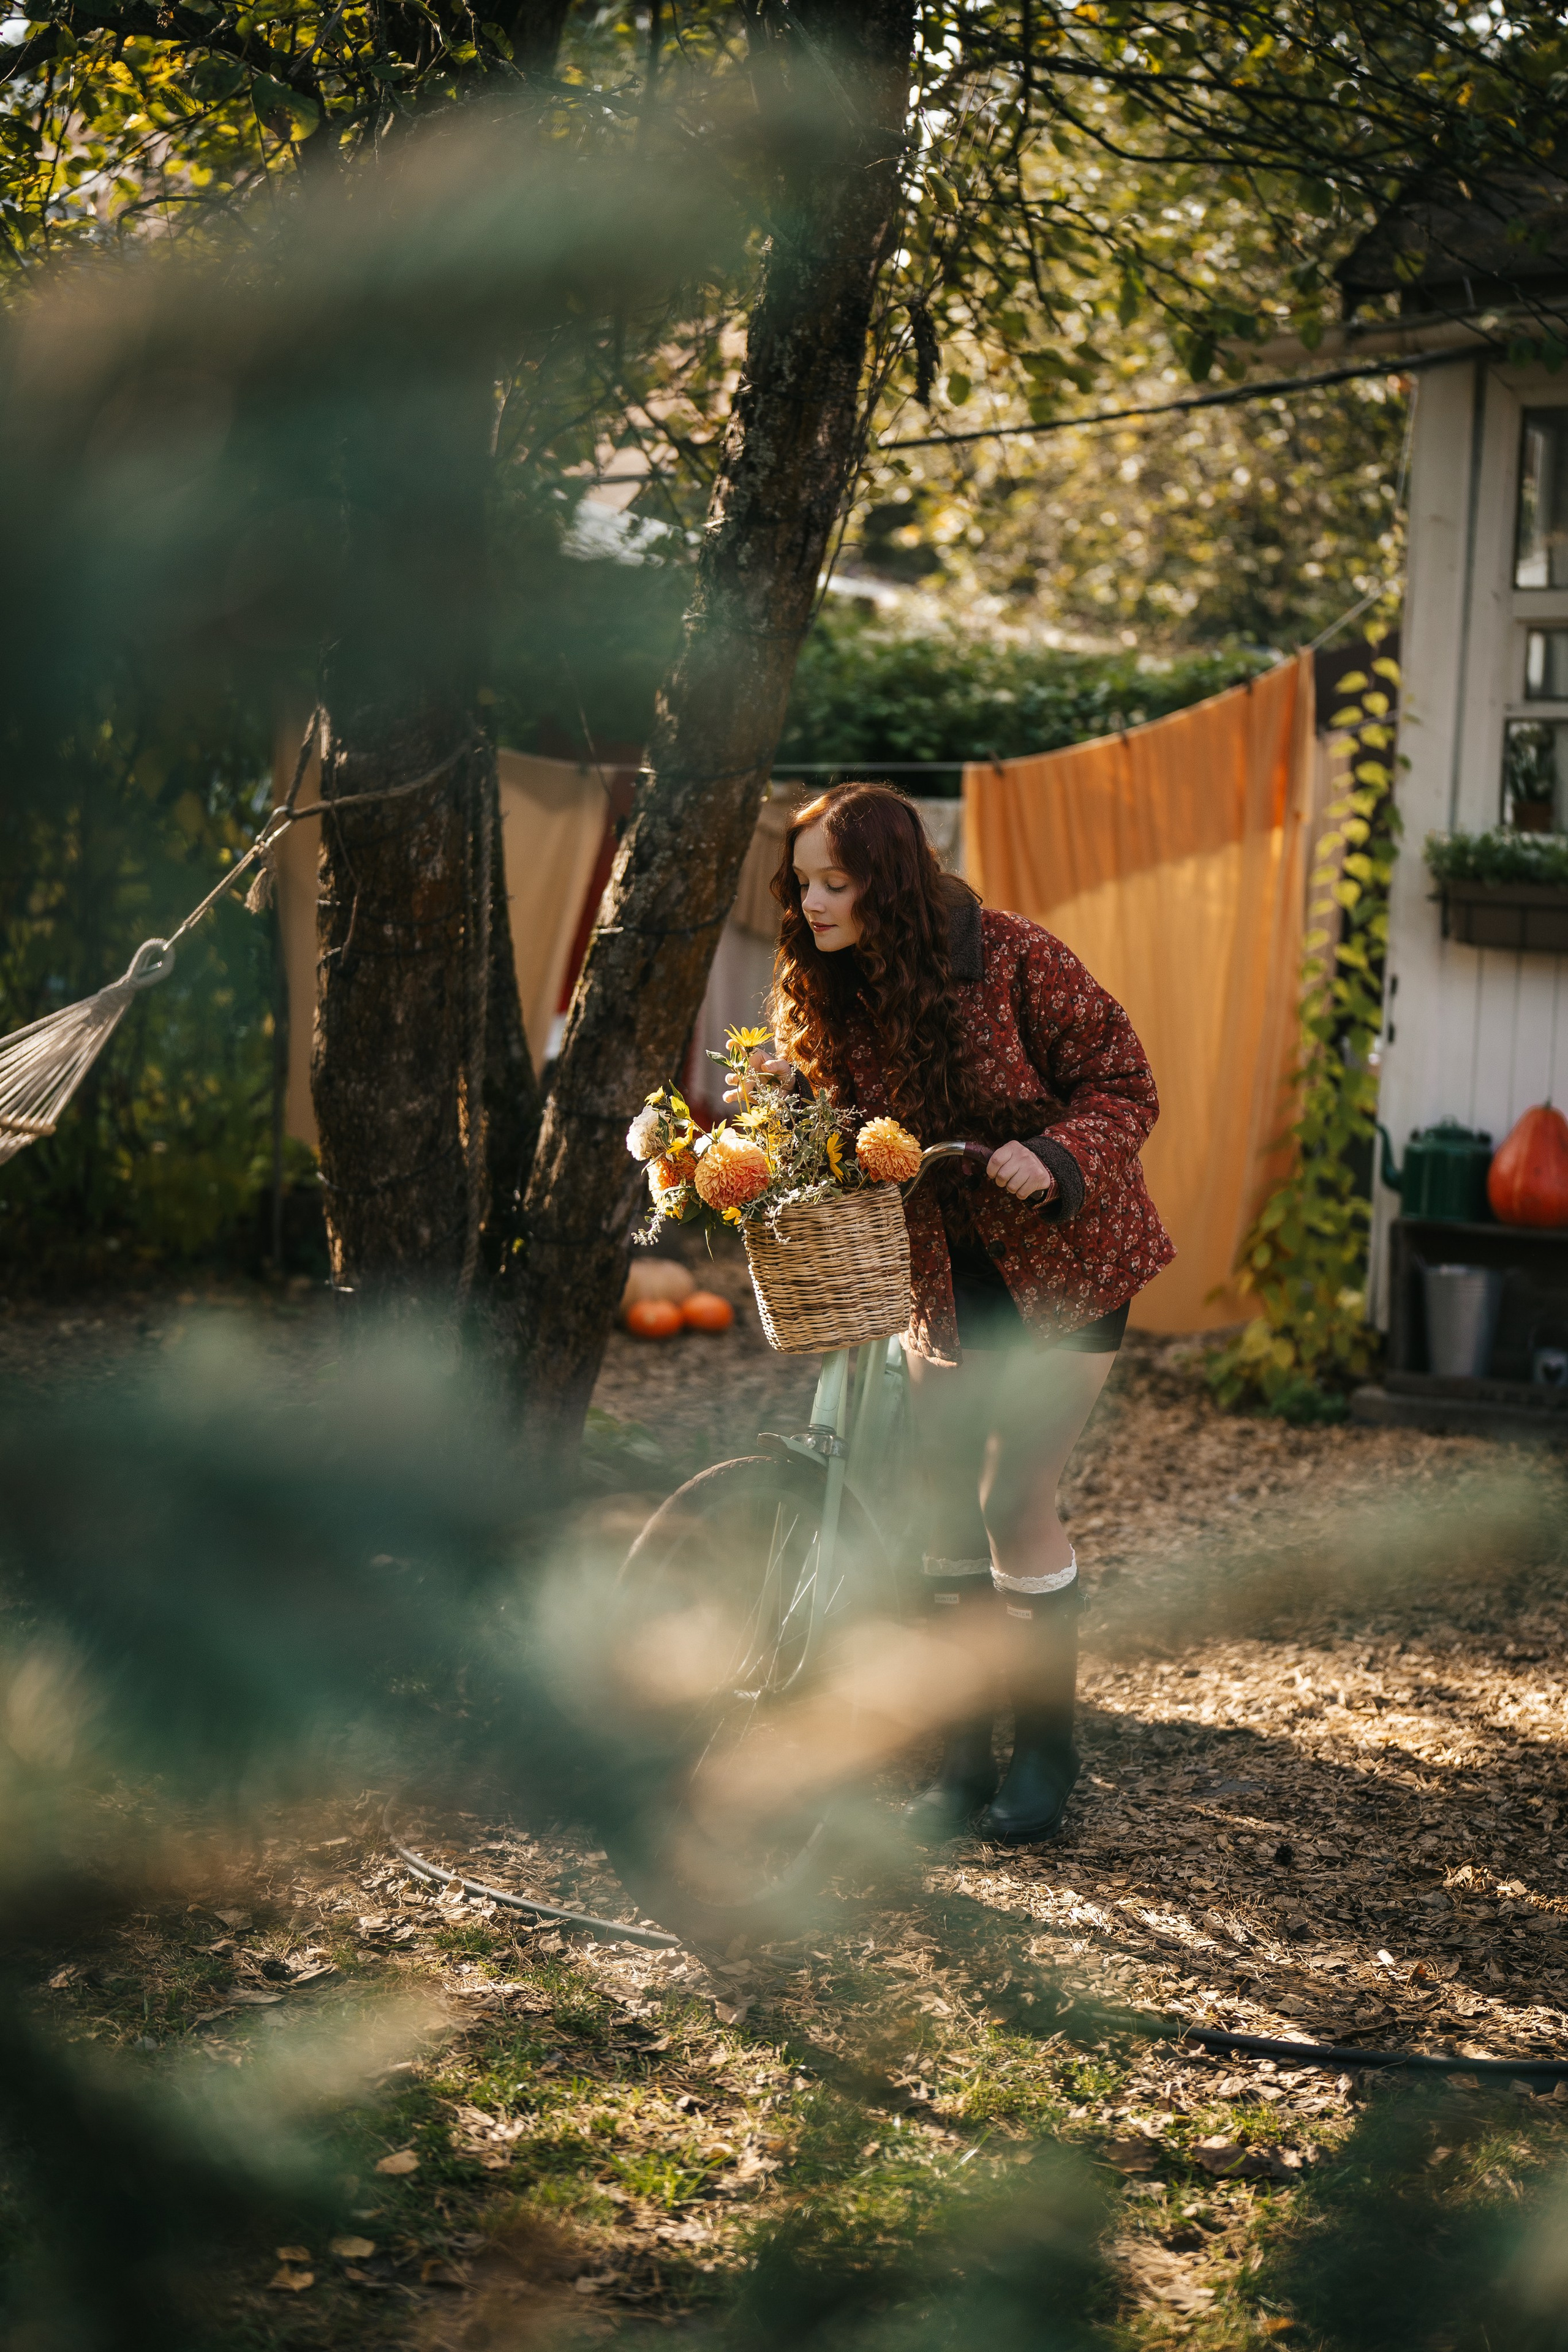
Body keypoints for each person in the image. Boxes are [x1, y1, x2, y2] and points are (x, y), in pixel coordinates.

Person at [729, 781, 1174, 1848]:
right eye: (804, 885)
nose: (817, 903)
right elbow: (852, 1132)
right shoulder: (832, 987)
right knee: (941, 1505)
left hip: (1066, 1266)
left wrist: (1055, 1152)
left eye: (836, 882)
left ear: (889, 878)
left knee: (1013, 1497)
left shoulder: (1017, 957)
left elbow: (1126, 1083)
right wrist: (787, 1102)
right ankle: (964, 1758)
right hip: (936, 1275)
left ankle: (1046, 1757)